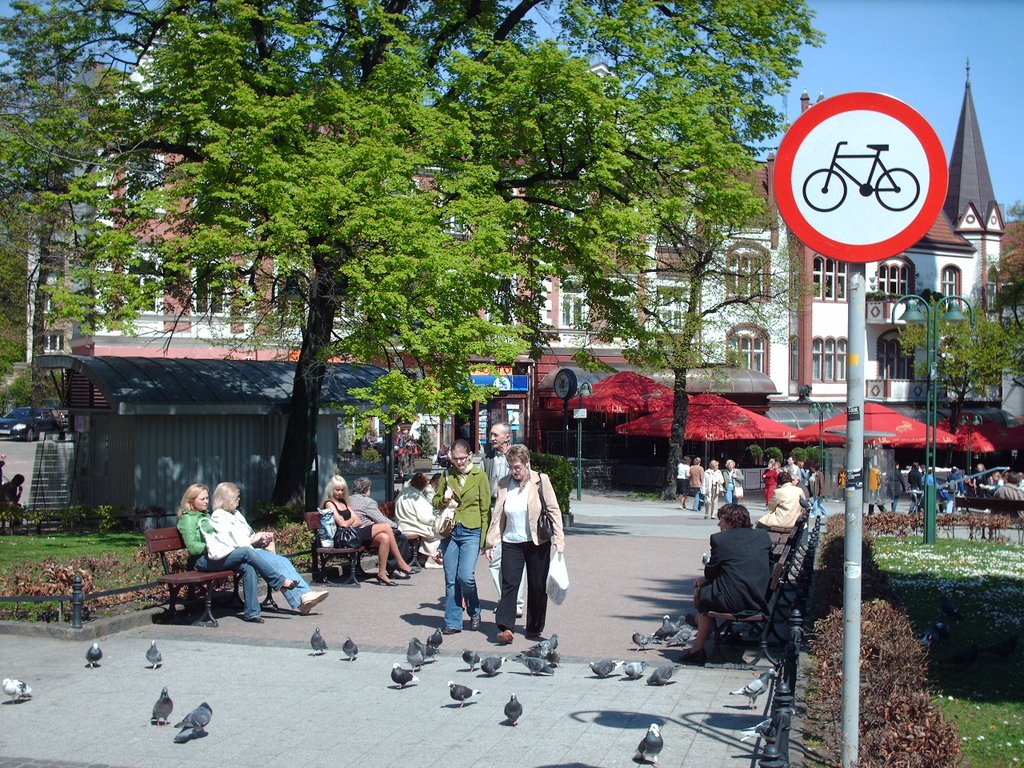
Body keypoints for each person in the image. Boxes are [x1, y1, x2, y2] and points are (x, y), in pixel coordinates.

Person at [208, 482, 329, 617]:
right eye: (236, 497)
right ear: (227, 499)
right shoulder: (219, 516)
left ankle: (303, 598)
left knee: (282, 561)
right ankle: (303, 598)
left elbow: (248, 535)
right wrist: (254, 539)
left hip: (250, 551)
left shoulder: (236, 514)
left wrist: (260, 538)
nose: (239, 500)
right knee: (277, 562)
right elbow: (235, 543)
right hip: (236, 555)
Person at [484, 444, 565, 644]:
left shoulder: (540, 480)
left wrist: (559, 539)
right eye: (511, 466)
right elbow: (498, 515)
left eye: (518, 466)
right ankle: (506, 628)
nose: (515, 471)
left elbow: (554, 509)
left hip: (537, 541)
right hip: (511, 541)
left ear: (527, 463)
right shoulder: (504, 484)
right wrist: (491, 542)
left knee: (538, 585)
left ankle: (534, 627)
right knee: (509, 584)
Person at [679, 504, 773, 666]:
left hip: (734, 601)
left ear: (729, 521)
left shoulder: (720, 539)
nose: (718, 525)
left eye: (720, 520)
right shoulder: (762, 536)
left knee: (703, 591)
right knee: (706, 590)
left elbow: (710, 573)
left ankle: (697, 648)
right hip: (759, 597)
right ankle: (698, 622)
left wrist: (702, 581)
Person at [434, 438, 490, 635]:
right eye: (455, 459)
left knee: (465, 576)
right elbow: (435, 501)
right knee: (451, 579)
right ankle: (453, 622)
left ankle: (475, 610)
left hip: (471, 530)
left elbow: (485, 509)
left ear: (469, 456)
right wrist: (444, 499)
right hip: (450, 531)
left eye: (462, 458)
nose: (459, 462)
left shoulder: (479, 476)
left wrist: (484, 540)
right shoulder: (447, 475)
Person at [323, 475, 416, 586]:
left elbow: (358, 521)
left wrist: (348, 522)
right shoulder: (329, 503)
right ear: (330, 489)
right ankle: (401, 562)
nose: (340, 492)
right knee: (386, 526)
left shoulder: (344, 502)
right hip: (344, 538)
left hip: (353, 533)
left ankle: (382, 574)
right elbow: (342, 524)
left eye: (342, 490)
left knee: (384, 537)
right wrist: (349, 522)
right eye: (337, 490)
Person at [482, 421, 524, 618]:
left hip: (513, 512)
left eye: (495, 435)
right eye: (491, 434)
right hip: (494, 509)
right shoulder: (487, 457)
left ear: (507, 437)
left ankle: (517, 602)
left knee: (515, 560)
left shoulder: (518, 456)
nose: (491, 438)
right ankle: (508, 600)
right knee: (495, 560)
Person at [394, 472, 442, 568]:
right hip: (411, 526)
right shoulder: (415, 496)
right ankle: (431, 559)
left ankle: (423, 557)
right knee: (439, 532)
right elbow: (425, 518)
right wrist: (436, 518)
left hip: (402, 524)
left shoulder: (405, 492)